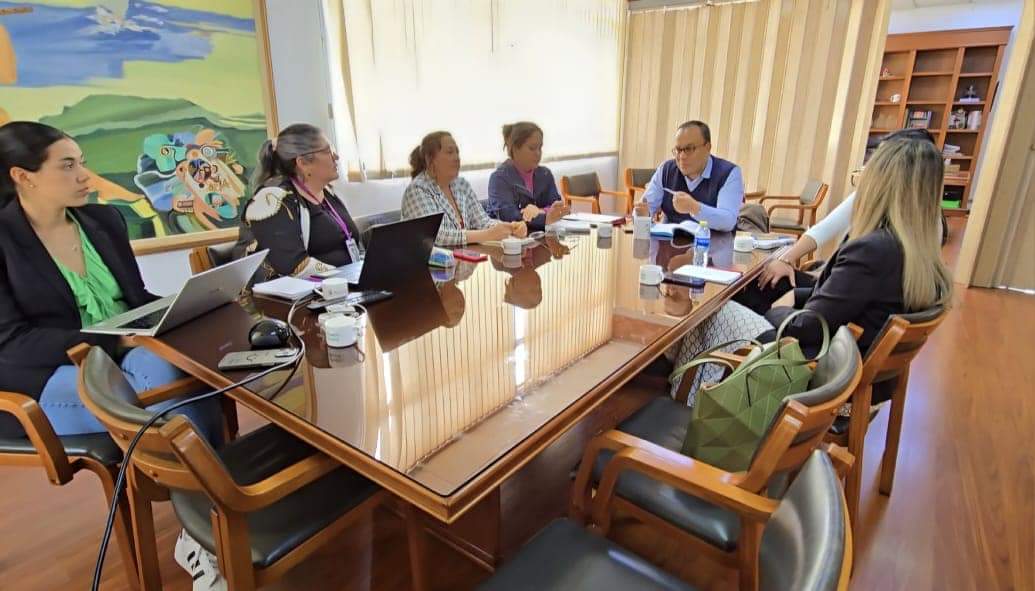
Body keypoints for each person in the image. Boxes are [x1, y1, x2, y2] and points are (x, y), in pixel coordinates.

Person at [0, 122, 227, 589]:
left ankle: (204, 525)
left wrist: (174, 311)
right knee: (157, 388)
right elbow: (11, 340)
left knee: (176, 367)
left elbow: (134, 297)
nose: (85, 175)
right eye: (68, 165)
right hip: (40, 377)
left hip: (126, 354)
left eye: (81, 161)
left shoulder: (103, 222)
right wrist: (115, 340)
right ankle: (211, 525)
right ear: (23, 176)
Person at [670, 136, 952, 403]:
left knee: (716, 310)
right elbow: (845, 300)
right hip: (849, 359)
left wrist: (781, 308)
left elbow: (808, 327)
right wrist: (793, 295)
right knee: (764, 285)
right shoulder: (916, 247)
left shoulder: (873, 250)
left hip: (816, 369)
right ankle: (684, 374)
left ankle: (684, 396)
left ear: (880, 184)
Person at [739, 129, 941, 314]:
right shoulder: (923, 230)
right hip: (847, 316)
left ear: (888, 176)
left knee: (735, 304)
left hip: (809, 340)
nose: (862, 174)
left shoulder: (873, 248)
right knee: (765, 284)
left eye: (869, 167)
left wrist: (777, 311)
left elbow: (812, 324)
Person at [238, 123, 361, 280]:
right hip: (290, 299)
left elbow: (353, 241)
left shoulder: (327, 192)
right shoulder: (272, 199)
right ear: (303, 163)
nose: (336, 156)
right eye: (328, 151)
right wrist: (346, 278)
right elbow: (294, 267)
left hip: (338, 287)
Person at [401, 131, 527, 246]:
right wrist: (487, 235)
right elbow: (434, 236)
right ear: (430, 159)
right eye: (450, 152)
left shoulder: (461, 185)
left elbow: (483, 222)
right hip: (428, 268)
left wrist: (511, 227)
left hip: (462, 264)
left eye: (457, 152)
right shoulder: (417, 189)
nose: (457, 157)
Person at [641, 120, 745, 231]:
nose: (682, 156)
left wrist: (694, 208)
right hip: (670, 243)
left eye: (689, 149)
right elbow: (646, 208)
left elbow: (728, 221)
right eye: (678, 150)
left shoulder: (729, 173)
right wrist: (641, 215)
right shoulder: (666, 170)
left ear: (707, 148)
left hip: (713, 245)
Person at [487, 121, 570, 232]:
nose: (538, 153)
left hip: (542, 238)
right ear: (515, 149)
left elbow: (557, 207)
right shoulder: (498, 178)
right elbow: (508, 216)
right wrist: (545, 218)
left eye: (540, 148)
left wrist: (540, 211)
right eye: (532, 148)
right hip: (512, 243)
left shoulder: (545, 174)